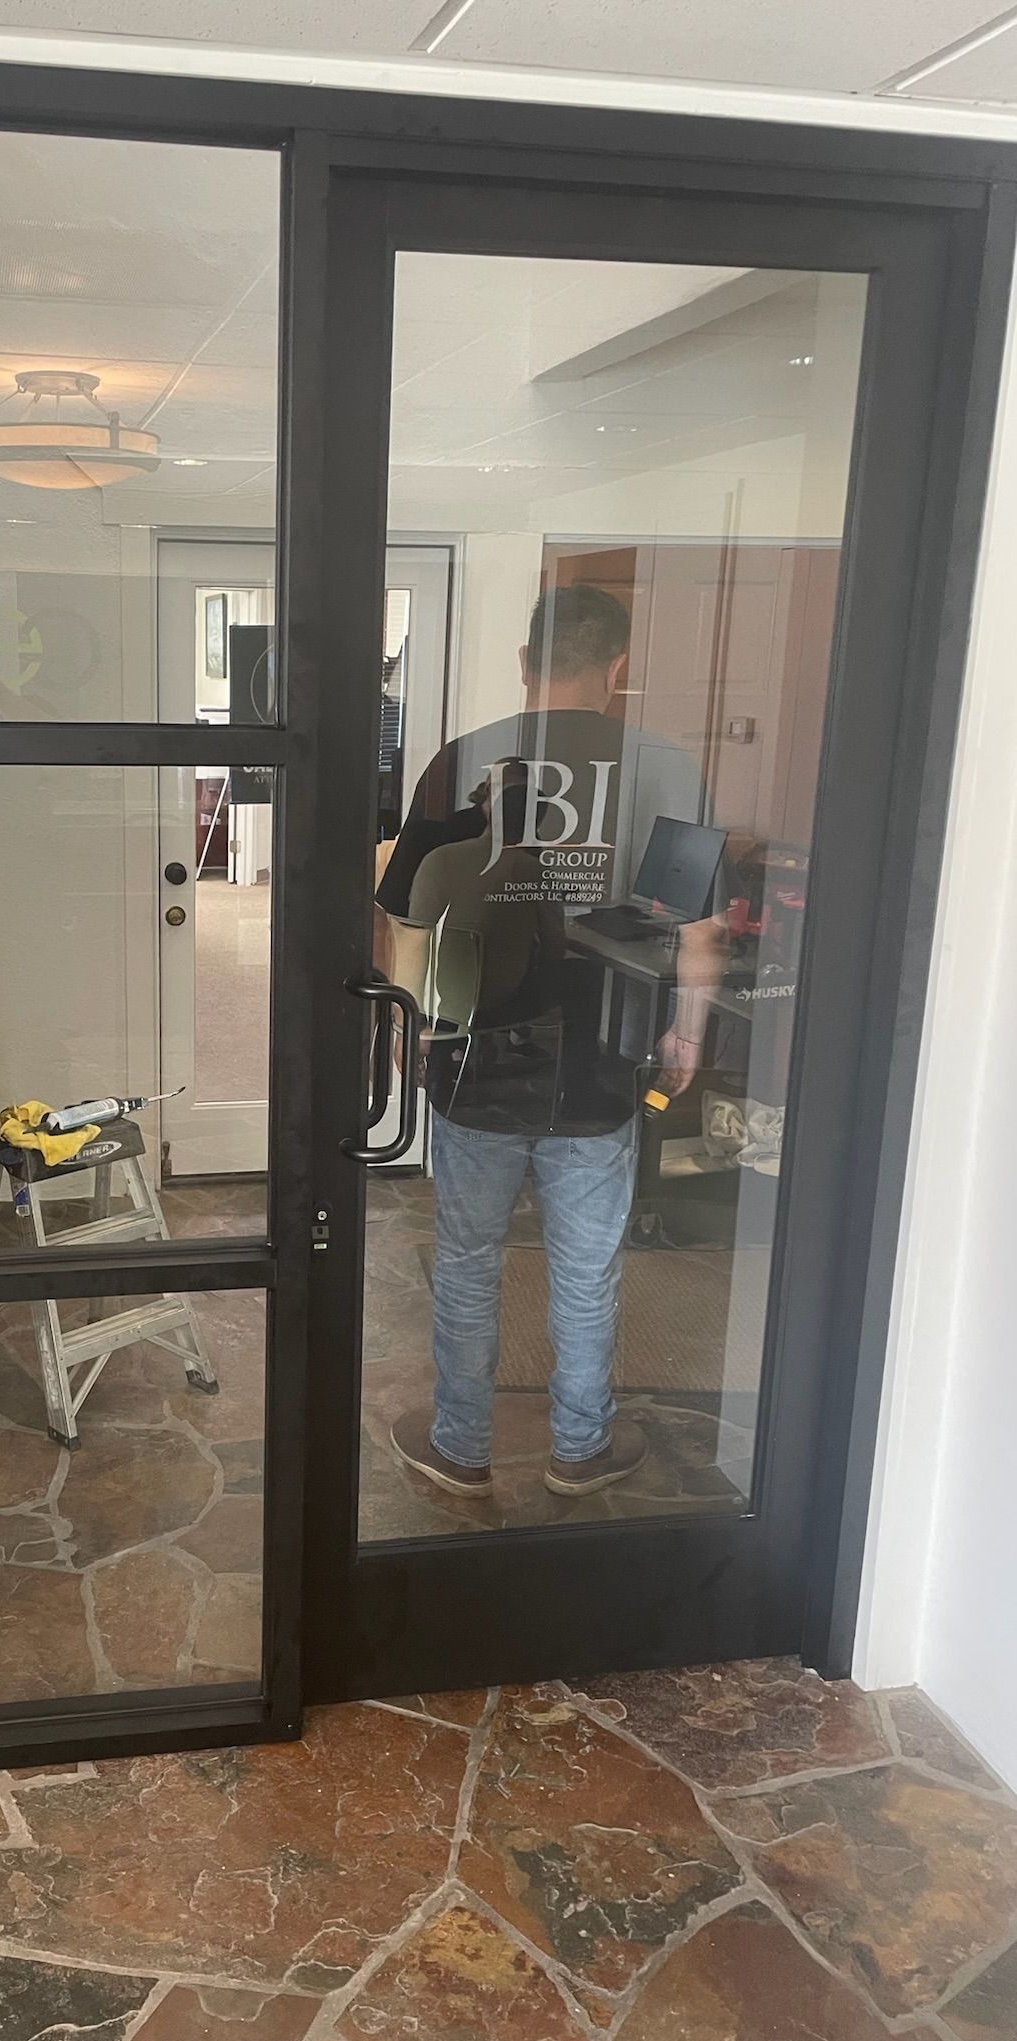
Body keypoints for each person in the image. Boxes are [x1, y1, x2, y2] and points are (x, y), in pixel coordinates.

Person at [377, 584, 728, 1499]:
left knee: (467, 1260)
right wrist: (687, 1031)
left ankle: (461, 1447)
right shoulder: (665, 766)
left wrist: (414, 1024)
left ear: (526, 663)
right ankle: (579, 1449)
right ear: (618, 668)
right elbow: (700, 932)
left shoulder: (463, 759)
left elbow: (406, 919)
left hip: (476, 1052)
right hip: (602, 1058)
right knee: (586, 1266)